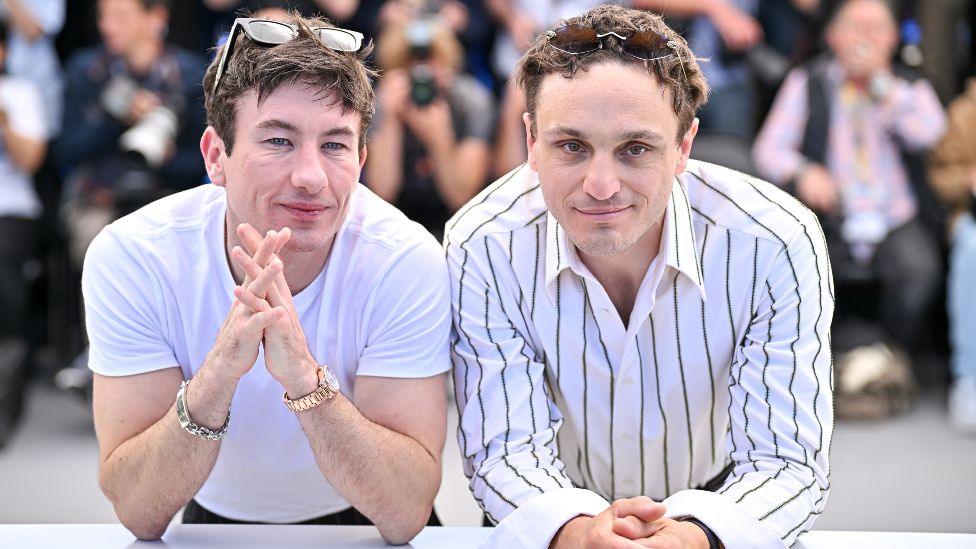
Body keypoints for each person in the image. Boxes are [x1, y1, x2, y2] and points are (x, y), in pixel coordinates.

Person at [446, 5, 833, 548]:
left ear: (684, 146)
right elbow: (506, 452)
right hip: (545, 519)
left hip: (723, 510)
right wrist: (579, 536)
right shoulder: (483, 243)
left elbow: (785, 461)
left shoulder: (775, 240)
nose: (601, 185)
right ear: (531, 140)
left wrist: (691, 540)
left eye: (635, 149)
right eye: (572, 146)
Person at [84, 12, 451, 542]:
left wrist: (303, 376)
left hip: (365, 516)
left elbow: (405, 510)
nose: (310, 177)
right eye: (278, 141)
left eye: (334, 145)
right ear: (216, 156)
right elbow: (140, 511)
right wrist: (218, 375)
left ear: (362, 157)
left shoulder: (403, 258)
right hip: (209, 512)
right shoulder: (134, 256)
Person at [753, 0, 946, 366]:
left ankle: (890, 359)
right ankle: (827, 362)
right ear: (832, 35)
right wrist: (803, 171)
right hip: (832, 213)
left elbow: (930, 132)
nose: (865, 37)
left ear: (893, 37)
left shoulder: (908, 86)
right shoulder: (808, 80)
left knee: (920, 271)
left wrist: (881, 86)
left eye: (876, 28)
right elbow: (768, 149)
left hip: (894, 214)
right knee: (803, 274)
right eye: (856, 27)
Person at [55, 0, 208, 269]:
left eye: (121, 17)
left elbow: (206, 158)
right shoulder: (86, 71)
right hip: (100, 202)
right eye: (103, 16)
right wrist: (114, 117)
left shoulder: (190, 74)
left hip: (168, 199)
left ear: (156, 17)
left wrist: (166, 155)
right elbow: (65, 151)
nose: (107, 26)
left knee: (182, 258)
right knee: (102, 258)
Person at [366, 13, 494, 239]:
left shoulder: (469, 100)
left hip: (456, 230)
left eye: (432, 59)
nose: (422, 71)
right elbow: (383, 191)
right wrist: (390, 122)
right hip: (395, 229)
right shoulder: (384, 100)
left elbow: (460, 196)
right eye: (411, 62)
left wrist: (439, 139)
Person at [0, 19, 48, 448]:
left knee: (7, 303)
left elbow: (31, 157)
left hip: (9, 212)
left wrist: (3, 121)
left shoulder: (19, 95)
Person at [929, 77, 976, 432]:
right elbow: (938, 176)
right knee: (971, 247)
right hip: (972, 214)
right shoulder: (965, 112)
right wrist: (968, 181)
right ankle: (969, 380)